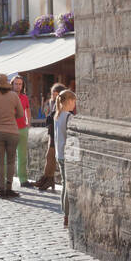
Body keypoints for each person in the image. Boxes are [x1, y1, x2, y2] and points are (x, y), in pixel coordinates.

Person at [35, 83, 67, 190]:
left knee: (50, 157)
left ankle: (48, 179)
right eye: (52, 93)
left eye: (55, 93)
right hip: (52, 132)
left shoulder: (63, 104)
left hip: (56, 133)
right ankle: (48, 179)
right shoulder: (52, 102)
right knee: (49, 157)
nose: (53, 95)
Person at [54, 88, 76, 225]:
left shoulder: (57, 115)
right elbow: (72, 138)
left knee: (64, 183)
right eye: (74, 101)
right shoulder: (69, 116)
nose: (75, 104)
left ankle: (65, 213)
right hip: (68, 155)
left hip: (59, 154)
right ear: (69, 101)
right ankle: (68, 214)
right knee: (68, 185)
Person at [11, 74, 32, 188]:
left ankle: (23, 179)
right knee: (8, 155)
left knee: (23, 155)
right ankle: (6, 179)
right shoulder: (8, 96)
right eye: (16, 84)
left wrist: (28, 123)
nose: (18, 86)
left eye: (20, 84)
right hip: (10, 128)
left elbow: (27, 109)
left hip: (22, 128)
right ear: (12, 84)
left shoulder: (24, 97)